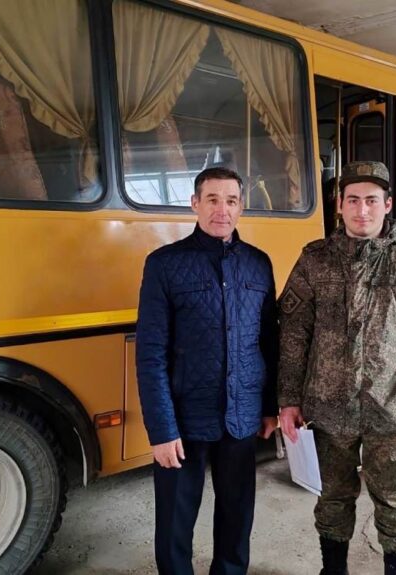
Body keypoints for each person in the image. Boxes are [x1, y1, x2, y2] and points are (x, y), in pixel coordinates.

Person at [278, 161, 396, 575]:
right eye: (352, 200)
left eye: (370, 200)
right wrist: (288, 399)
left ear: (387, 204)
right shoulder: (315, 260)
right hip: (328, 412)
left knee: (395, 504)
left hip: (392, 412)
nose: (361, 210)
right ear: (339, 206)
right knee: (332, 498)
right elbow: (293, 333)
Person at [136, 166, 279, 575]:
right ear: (195, 204)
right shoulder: (164, 264)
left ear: (241, 207)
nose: (222, 210)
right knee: (174, 524)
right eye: (212, 199)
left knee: (237, 518)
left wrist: (269, 407)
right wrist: (162, 430)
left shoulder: (259, 264)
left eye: (231, 201)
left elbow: (269, 342)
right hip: (184, 420)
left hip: (241, 416)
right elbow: (151, 353)